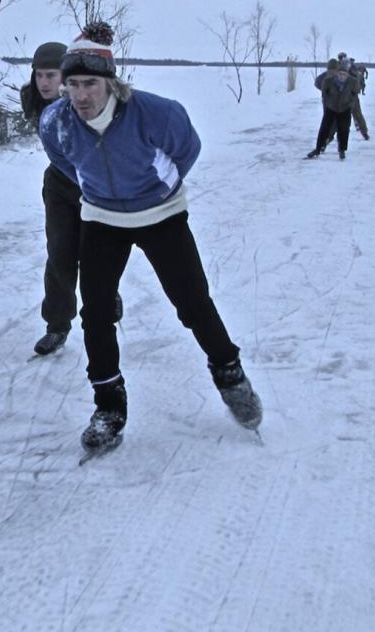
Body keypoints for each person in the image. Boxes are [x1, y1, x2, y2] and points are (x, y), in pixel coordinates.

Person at [39, 22, 262, 452]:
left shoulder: (158, 113)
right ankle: (109, 406)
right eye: (72, 85)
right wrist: (95, 189)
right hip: (101, 218)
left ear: (111, 82)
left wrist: (157, 189)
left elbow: (187, 149)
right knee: (96, 313)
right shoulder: (57, 122)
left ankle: (230, 373)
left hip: (161, 215)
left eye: (90, 84)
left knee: (193, 303)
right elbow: (64, 162)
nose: (80, 95)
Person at [20, 41, 122, 357]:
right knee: (59, 253)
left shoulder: (86, 101)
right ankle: (57, 326)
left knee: (95, 253)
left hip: (94, 185)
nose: (44, 82)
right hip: (59, 185)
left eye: (51, 75)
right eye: (39, 75)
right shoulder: (33, 99)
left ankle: (108, 296)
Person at [306, 60, 359, 160]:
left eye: (344, 74)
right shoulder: (328, 81)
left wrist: (350, 103)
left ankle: (342, 150)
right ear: (336, 74)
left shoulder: (353, 82)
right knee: (324, 129)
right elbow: (324, 91)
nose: (342, 76)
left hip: (345, 108)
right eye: (340, 74)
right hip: (331, 107)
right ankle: (318, 149)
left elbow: (355, 93)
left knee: (344, 129)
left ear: (347, 75)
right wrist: (327, 102)